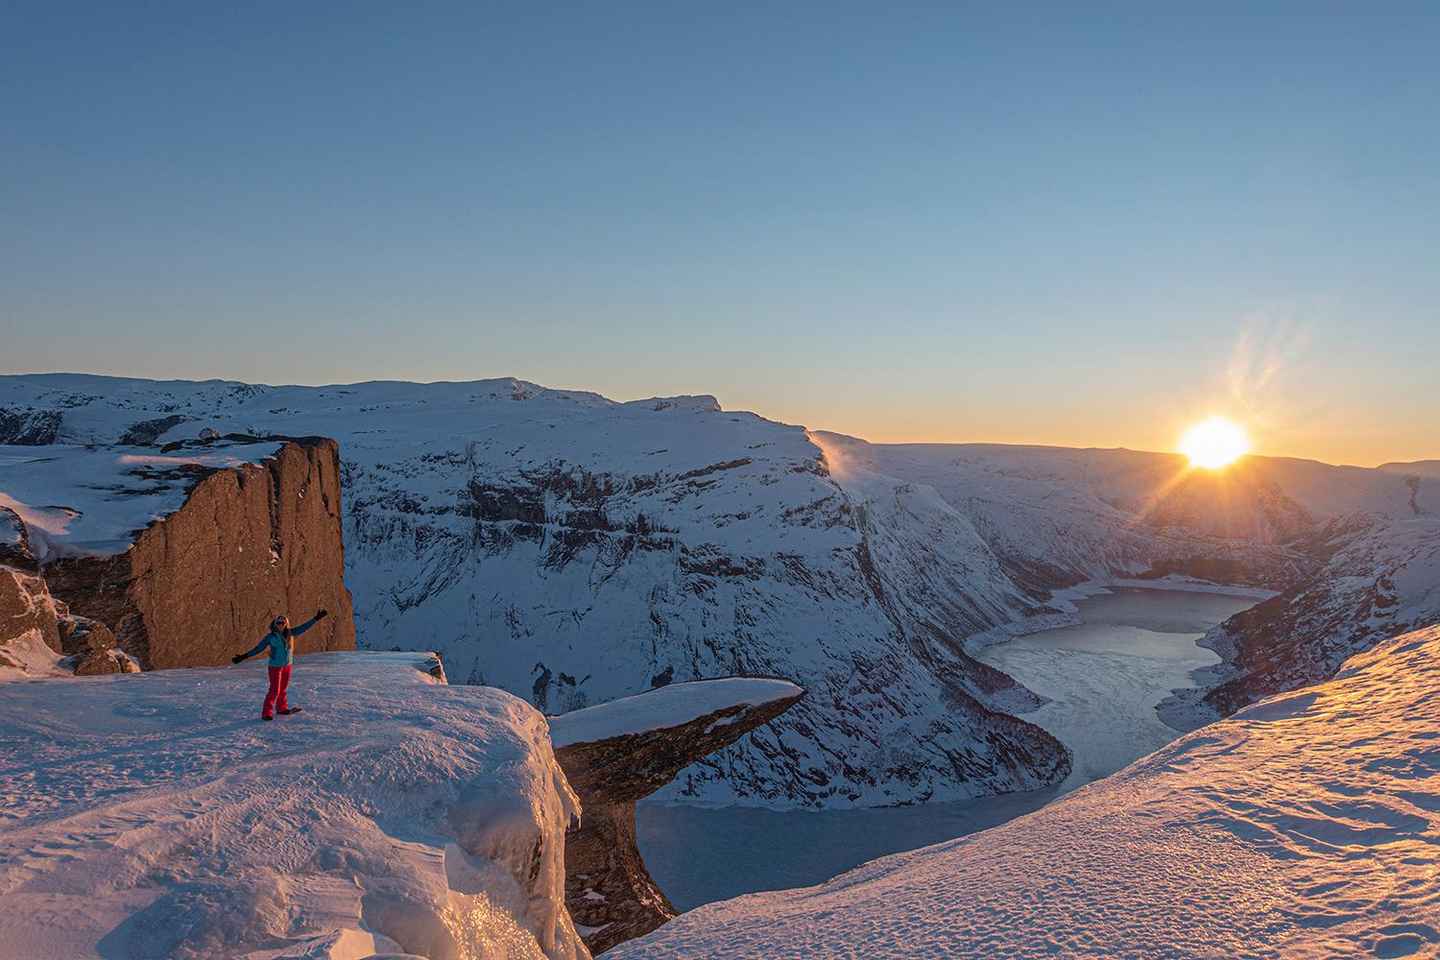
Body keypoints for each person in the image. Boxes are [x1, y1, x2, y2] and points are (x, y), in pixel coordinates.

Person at [232, 610, 328, 720]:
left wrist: (316, 619)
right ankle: (267, 713)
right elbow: (258, 648)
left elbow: (304, 627)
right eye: (278, 623)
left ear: (286, 624)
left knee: (283, 689)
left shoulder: (291, 633)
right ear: (275, 624)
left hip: (287, 666)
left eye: (283, 623)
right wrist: (244, 656)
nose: (280, 625)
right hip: (275, 667)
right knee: (274, 690)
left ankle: (282, 708)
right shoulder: (270, 637)